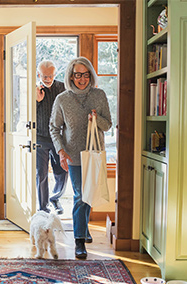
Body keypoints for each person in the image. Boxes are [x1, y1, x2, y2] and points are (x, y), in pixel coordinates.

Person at [49, 57, 112, 259]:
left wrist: (97, 118)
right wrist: (61, 151)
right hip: (74, 155)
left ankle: (83, 230)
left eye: (86, 74)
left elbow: (108, 125)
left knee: (89, 194)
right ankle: (79, 241)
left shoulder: (99, 95)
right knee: (79, 195)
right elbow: (54, 128)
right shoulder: (62, 99)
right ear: (71, 76)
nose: (82, 79)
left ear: (90, 75)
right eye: (78, 74)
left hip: (94, 153)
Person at [35, 60, 68, 214]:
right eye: (44, 76)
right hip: (40, 137)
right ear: (38, 74)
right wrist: (37, 100)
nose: (47, 79)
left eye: (50, 76)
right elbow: (26, 114)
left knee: (62, 171)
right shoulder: (34, 89)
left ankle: (55, 198)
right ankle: (43, 207)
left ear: (55, 74)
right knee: (41, 173)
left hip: (59, 137)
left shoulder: (62, 88)